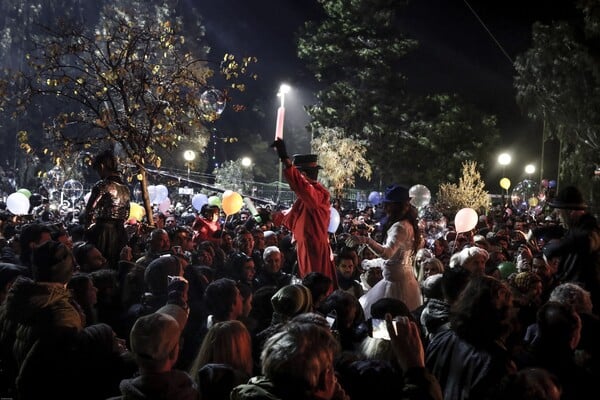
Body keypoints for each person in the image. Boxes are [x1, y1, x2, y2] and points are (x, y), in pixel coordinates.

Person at [346, 184, 423, 317]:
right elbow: (397, 259)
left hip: (395, 286)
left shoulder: (399, 227)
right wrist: (373, 263)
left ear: (396, 206)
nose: (385, 208)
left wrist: (366, 240)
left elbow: (388, 254)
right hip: (405, 282)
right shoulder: (408, 225)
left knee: (385, 320)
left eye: (388, 204)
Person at [271, 139, 336, 287]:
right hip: (307, 246)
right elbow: (289, 214)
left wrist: (285, 159)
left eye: (296, 174)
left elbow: (302, 188)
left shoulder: (317, 194)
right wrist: (269, 217)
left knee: (316, 288)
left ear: (303, 175)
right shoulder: (306, 199)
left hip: (314, 249)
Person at [544, 185, 600, 315]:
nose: (558, 217)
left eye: (560, 213)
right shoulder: (575, 229)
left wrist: (552, 249)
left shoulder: (591, 229)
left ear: (570, 212)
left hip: (584, 303)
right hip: (573, 297)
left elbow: (587, 240)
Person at [84, 149, 131, 270]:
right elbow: (126, 214)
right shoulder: (126, 189)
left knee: (99, 264)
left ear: (102, 166)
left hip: (103, 233)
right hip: (120, 233)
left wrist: (88, 231)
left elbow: (89, 211)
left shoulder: (102, 185)